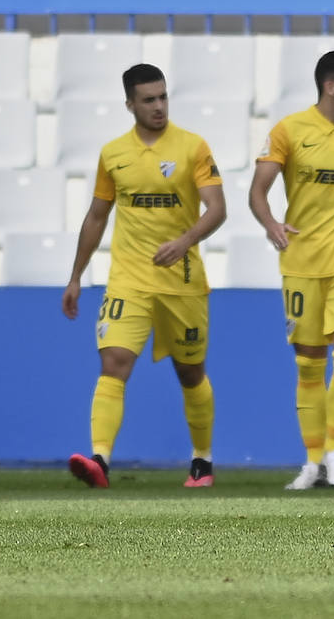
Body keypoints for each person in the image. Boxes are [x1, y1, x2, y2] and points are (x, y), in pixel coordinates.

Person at [62, 64, 227, 489]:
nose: (158, 107)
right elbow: (97, 216)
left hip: (182, 281)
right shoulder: (113, 154)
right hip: (129, 280)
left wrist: (184, 241)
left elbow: (217, 209)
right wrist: (76, 276)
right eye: (149, 100)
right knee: (113, 363)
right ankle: (99, 459)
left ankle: (202, 461)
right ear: (130, 104)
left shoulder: (192, 147)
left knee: (191, 372)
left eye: (163, 97)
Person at [250, 50, 334, 490]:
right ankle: (313, 462)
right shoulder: (289, 130)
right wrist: (271, 223)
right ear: (332, 86)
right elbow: (258, 190)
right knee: (309, 365)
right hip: (302, 262)